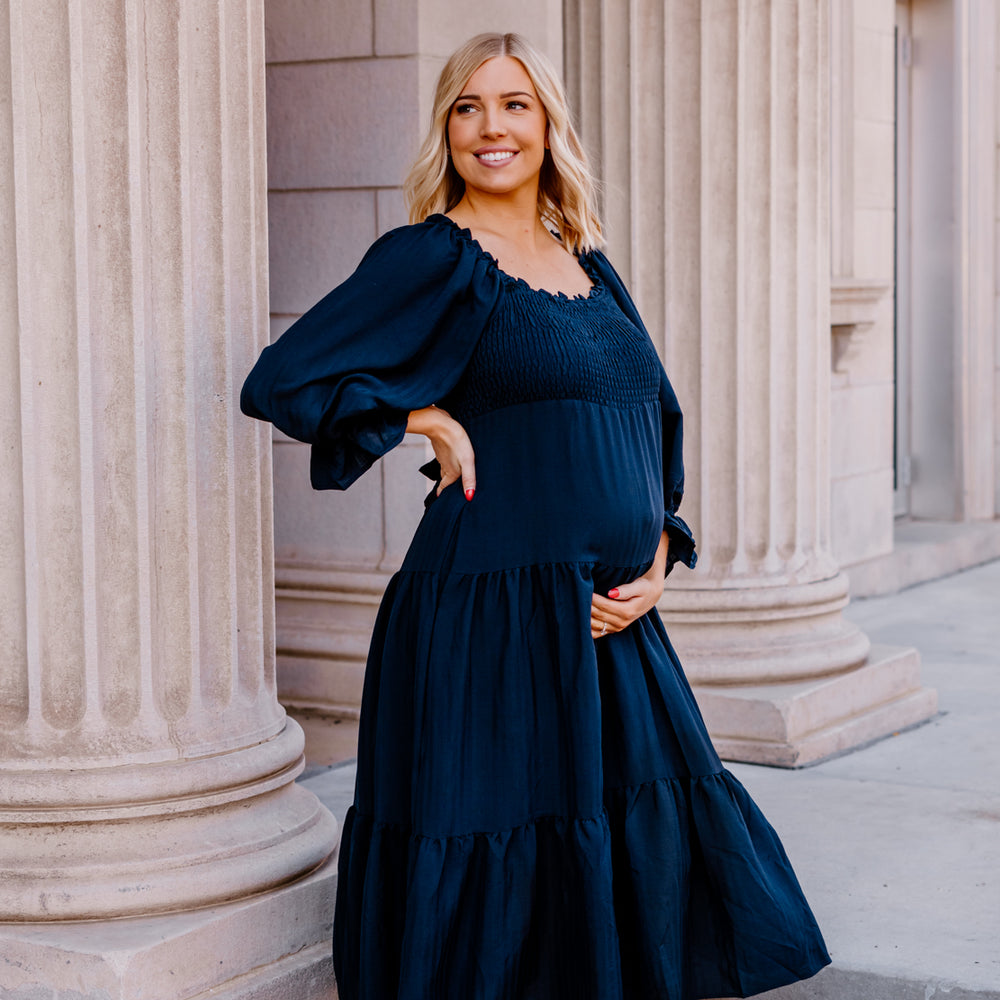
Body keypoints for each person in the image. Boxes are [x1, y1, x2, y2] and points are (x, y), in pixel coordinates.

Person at [242, 31, 831, 1000]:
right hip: (488, 615)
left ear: (550, 124)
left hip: (608, 623)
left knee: (617, 857)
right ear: (446, 129)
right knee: (497, 857)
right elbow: (283, 378)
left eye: (513, 103)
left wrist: (656, 543)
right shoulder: (436, 256)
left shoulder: (586, 264)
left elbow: (650, 416)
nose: (490, 126)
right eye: (467, 106)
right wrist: (415, 413)